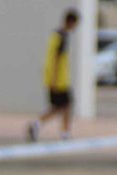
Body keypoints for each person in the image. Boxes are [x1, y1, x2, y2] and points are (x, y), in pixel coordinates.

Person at [28, 10, 79, 142]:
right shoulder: (62, 37)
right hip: (59, 80)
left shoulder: (56, 36)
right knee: (65, 106)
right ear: (70, 22)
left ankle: (38, 125)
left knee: (60, 107)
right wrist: (54, 80)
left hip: (57, 78)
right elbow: (55, 59)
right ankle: (64, 133)